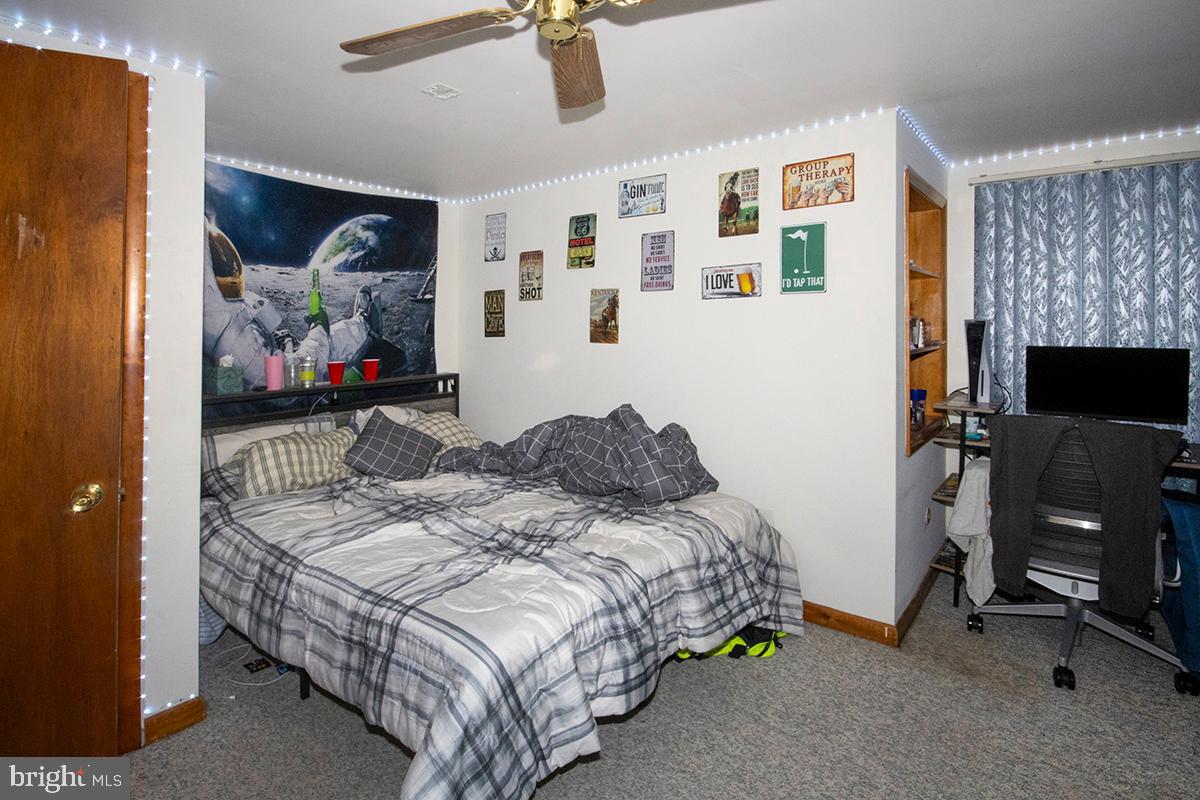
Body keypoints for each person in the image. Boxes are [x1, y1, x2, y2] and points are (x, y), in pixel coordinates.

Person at [202, 218, 384, 388]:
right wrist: (319, 328)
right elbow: (290, 384)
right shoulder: (224, 330)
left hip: (259, 351)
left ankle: (359, 324)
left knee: (315, 340)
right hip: (286, 384)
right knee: (330, 342)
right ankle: (365, 326)